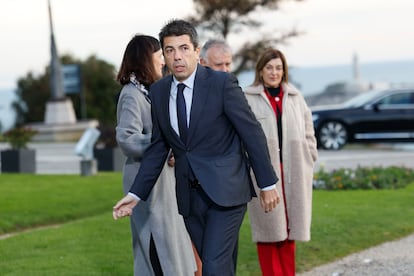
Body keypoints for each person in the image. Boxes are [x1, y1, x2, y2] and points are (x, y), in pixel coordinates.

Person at [113, 19, 280, 275]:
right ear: (164, 55)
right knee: (218, 265)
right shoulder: (158, 92)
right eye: (170, 50)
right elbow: (159, 148)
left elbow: (252, 133)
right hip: (190, 197)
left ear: (196, 51)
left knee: (212, 267)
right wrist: (135, 195)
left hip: (227, 192)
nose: (177, 56)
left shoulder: (222, 84)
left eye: (183, 48)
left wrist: (267, 183)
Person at [115, 34, 198, 276]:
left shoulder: (153, 91)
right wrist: (165, 147)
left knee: (170, 248)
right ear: (145, 59)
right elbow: (127, 139)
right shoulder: (131, 94)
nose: (163, 61)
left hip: (164, 181)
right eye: (159, 55)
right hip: (147, 186)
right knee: (156, 250)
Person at [243, 48, 318, 276]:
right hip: (265, 174)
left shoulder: (295, 97)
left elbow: (308, 131)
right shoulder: (248, 98)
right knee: (269, 231)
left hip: (294, 170)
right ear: (261, 70)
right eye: (269, 67)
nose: (274, 72)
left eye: (278, 68)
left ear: (284, 70)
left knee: (290, 229)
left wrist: (309, 156)